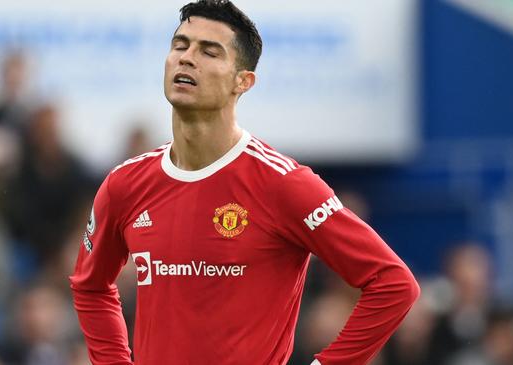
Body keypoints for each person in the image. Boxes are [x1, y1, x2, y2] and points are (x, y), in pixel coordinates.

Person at [70, 1, 420, 364]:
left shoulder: (283, 184)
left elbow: (393, 284)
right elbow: (90, 286)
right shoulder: (125, 184)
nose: (187, 58)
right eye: (180, 45)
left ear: (243, 81)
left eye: (209, 51)